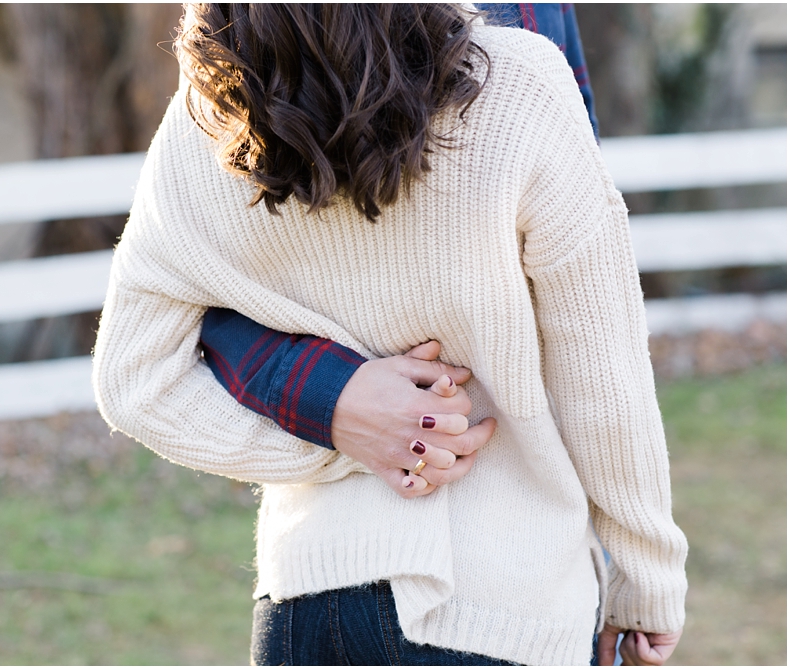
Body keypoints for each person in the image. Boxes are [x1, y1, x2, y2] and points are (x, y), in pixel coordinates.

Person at [93, 4, 687, 665]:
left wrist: (342, 433)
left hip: (307, 605)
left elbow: (134, 380)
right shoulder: (523, 83)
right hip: (499, 606)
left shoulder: (213, 109)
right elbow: (603, 377)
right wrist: (646, 577)